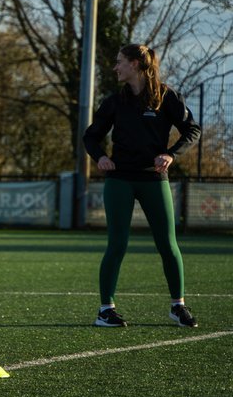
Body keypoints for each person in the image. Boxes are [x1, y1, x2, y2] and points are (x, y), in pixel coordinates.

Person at [83, 44, 201, 328]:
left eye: (120, 62)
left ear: (135, 64)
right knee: (117, 244)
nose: (115, 67)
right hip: (120, 180)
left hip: (153, 179)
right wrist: (100, 158)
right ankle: (105, 311)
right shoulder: (114, 101)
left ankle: (178, 307)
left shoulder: (166, 96)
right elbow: (91, 136)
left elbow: (192, 130)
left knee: (168, 245)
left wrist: (171, 153)